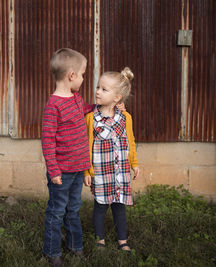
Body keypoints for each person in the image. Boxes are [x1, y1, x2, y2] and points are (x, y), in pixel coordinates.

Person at [41, 48, 94, 266]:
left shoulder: (76, 99)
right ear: (71, 75)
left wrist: (103, 106)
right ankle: (52, 252)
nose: (82, 78)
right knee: (56, 211)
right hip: (61, 172)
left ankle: (75, 245)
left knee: (73, 209)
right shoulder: (53, 106)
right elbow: (48, 141)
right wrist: (53, 171)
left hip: (77, 169)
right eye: (82, 74)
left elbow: (87, 110)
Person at [83, 67, 140, 252]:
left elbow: (130, 141)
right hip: (100, 172)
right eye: (98, 87)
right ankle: (100, 240)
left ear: (117, 98)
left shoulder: (126, 118)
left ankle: (122, 240)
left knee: (119, 208)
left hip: (120, 172)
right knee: (100, 207)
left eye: (103, 89)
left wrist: (135, 163)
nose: (97, 92)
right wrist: (86, 170)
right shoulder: (91, 118)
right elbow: (86, 146)